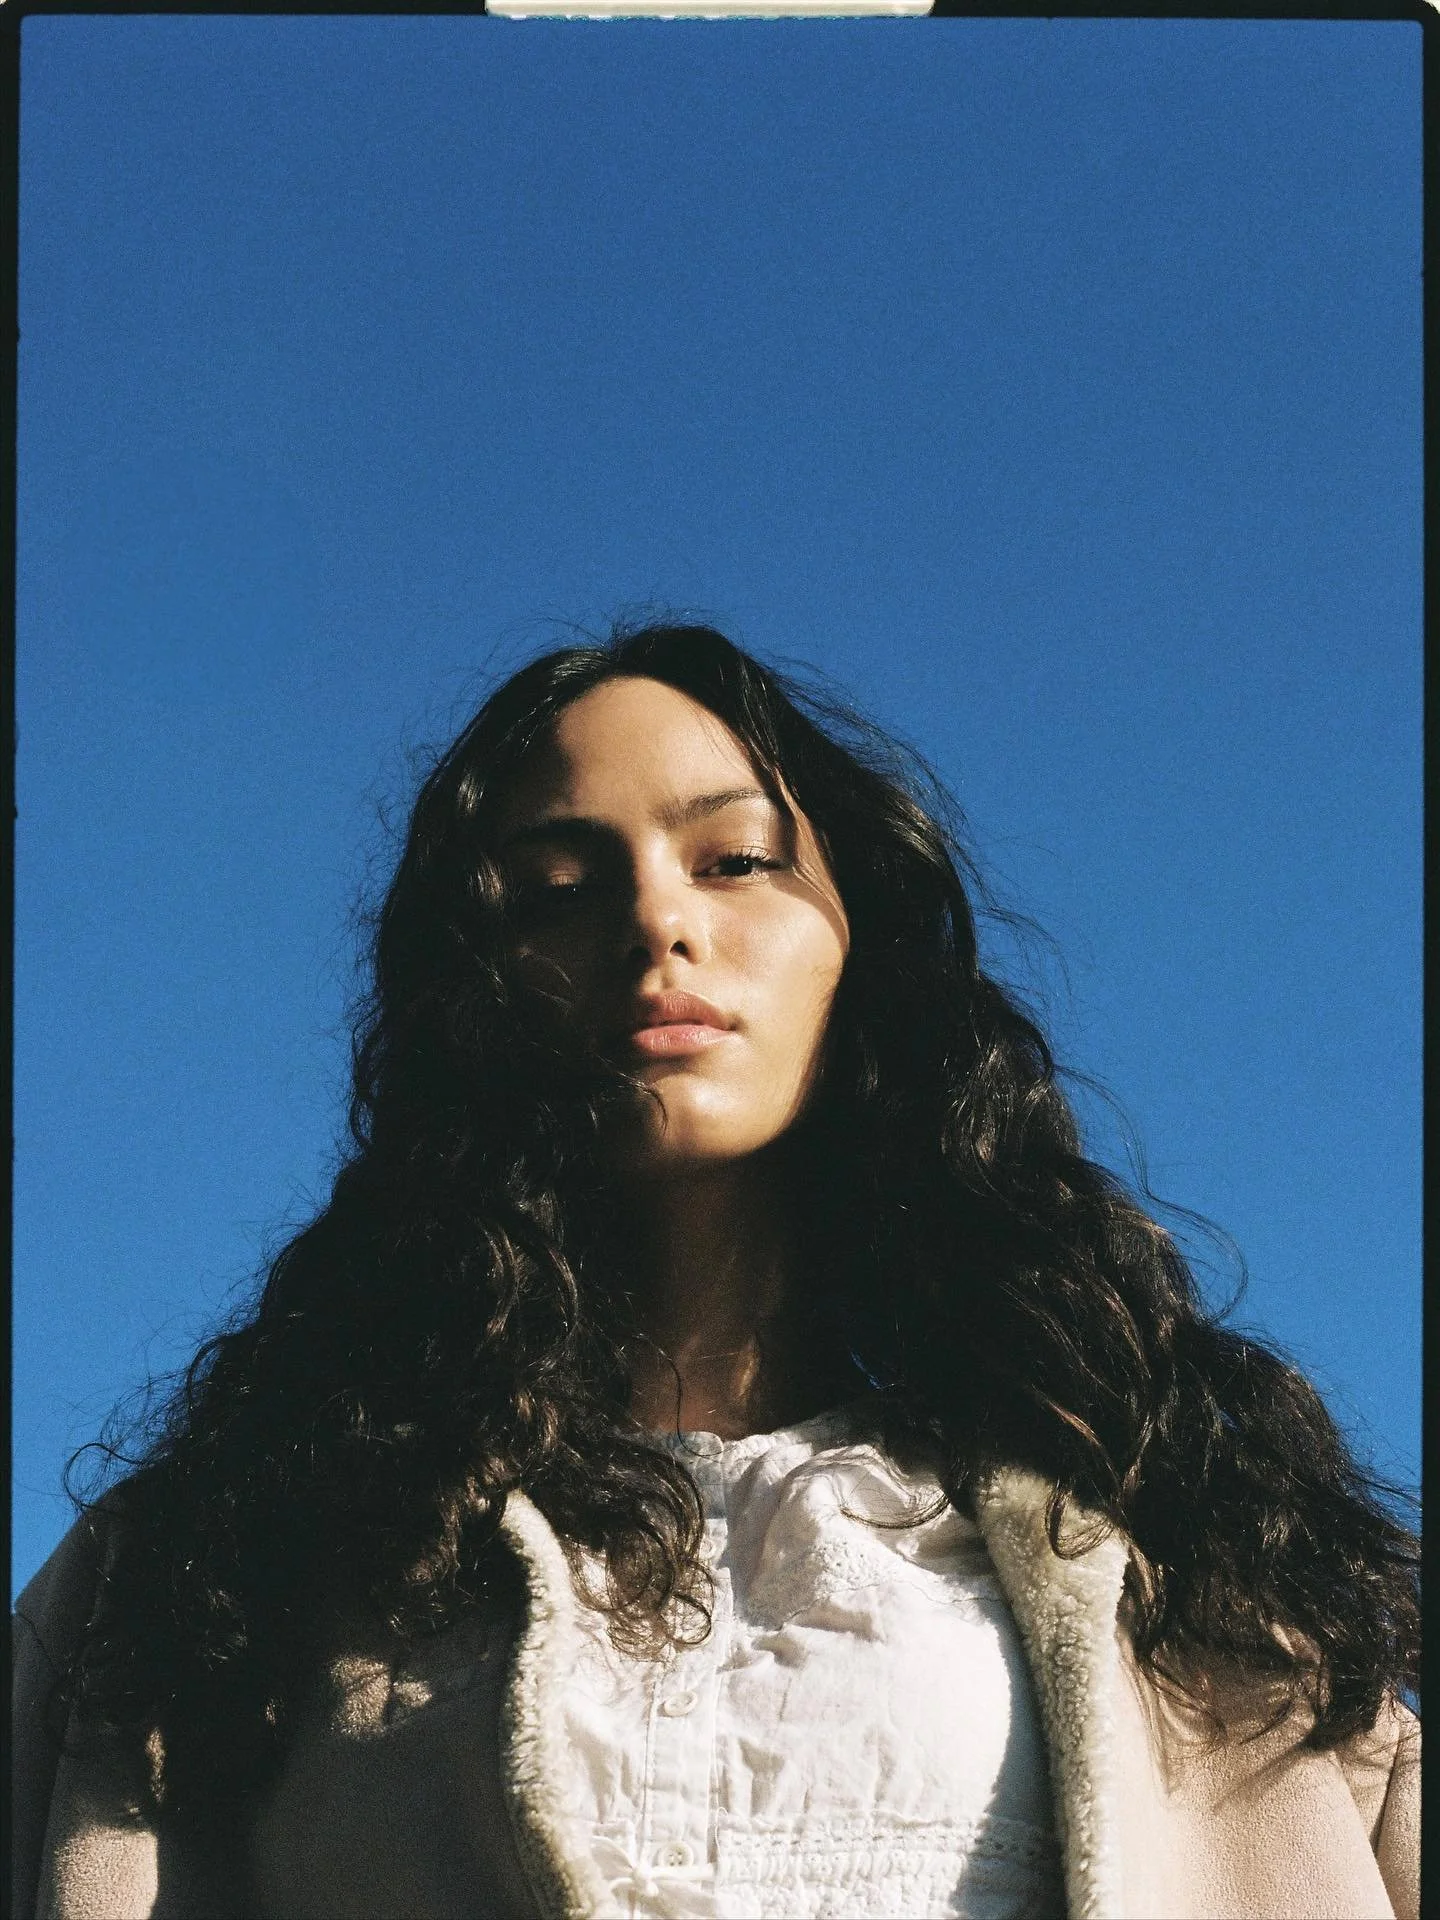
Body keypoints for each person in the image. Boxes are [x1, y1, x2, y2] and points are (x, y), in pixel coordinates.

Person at [13, 623, 1419, 1920]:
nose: (655, 924)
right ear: (474, 1004)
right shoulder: (220, 1559)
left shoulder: (1191, 1556)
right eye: (557, 892)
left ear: (857, 946)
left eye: (734, 861)